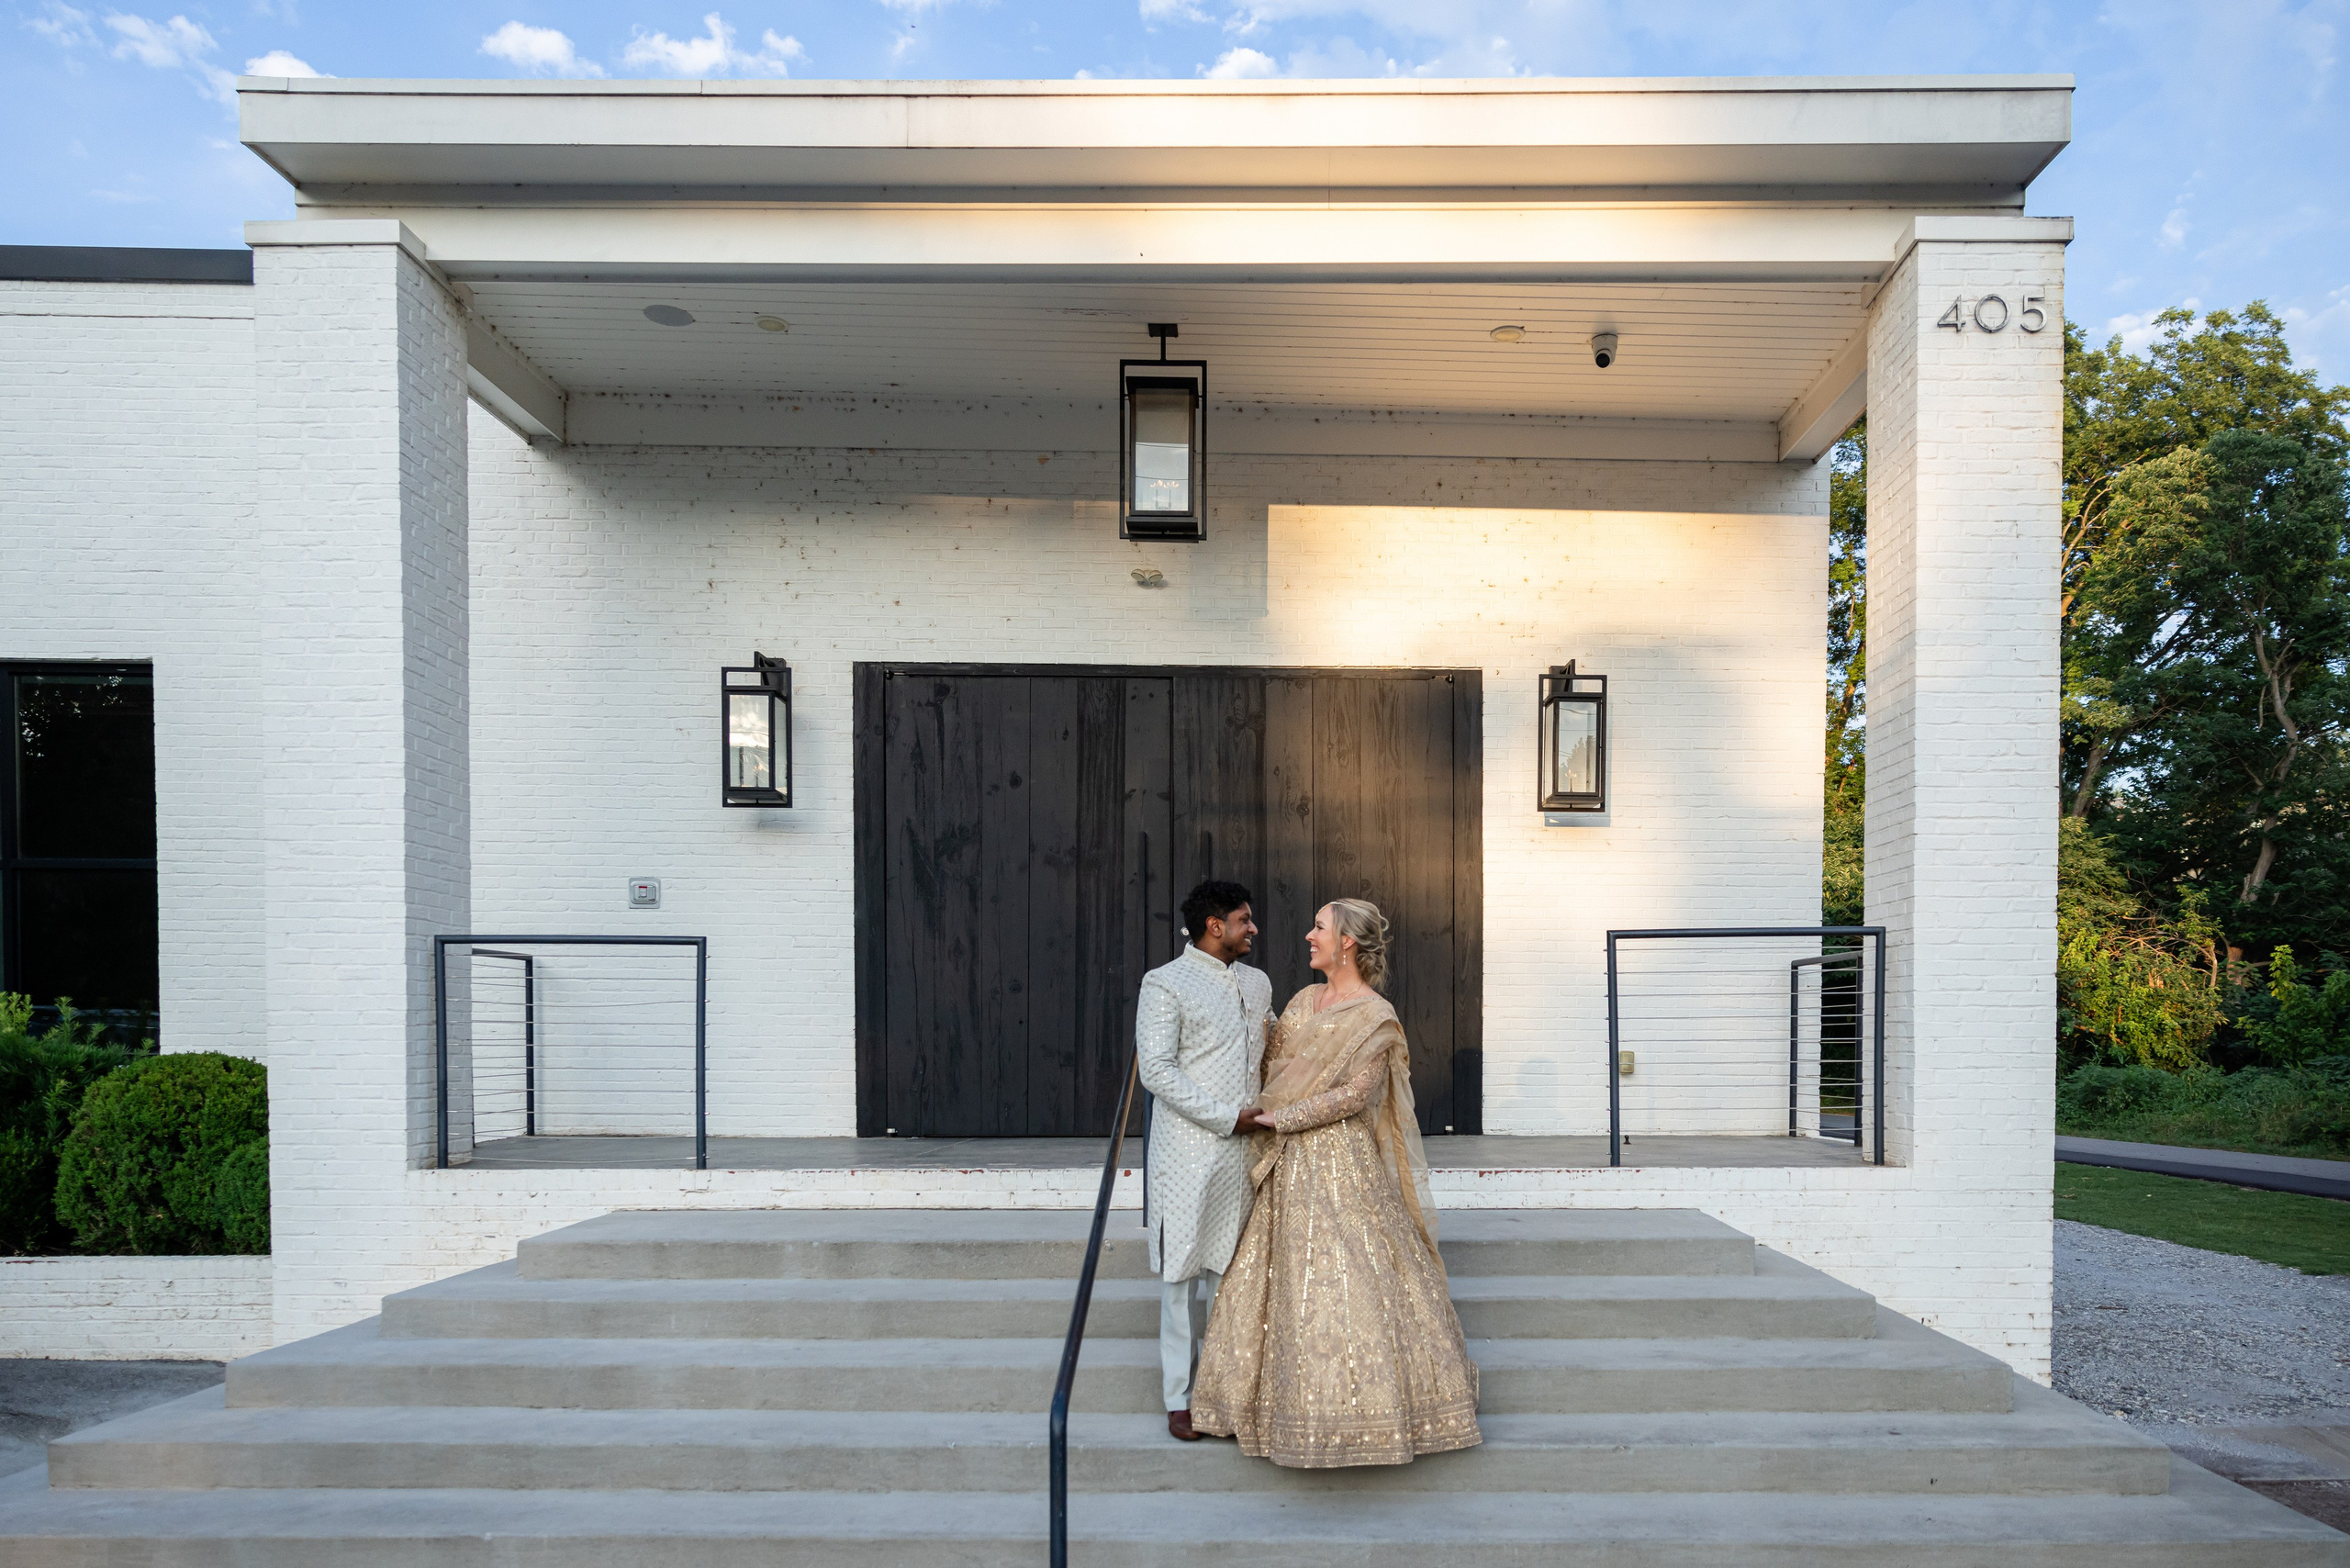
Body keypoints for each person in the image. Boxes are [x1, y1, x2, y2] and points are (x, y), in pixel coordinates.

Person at [1189, 897, 1482, 1467]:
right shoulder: (1300, 1001)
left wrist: (1283, 1118)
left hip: (1339, 1162)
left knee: (1353, 1277)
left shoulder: (1375, 1015)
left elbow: (1357, 1095)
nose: (1308, 936)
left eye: (1319, 928)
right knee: (1279, 1279)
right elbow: (1268, 1063)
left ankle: (1366, 1418)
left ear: (1347, 941)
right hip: (1286, 1163)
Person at [1134, 879, 1273, 1443]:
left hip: (1245, 1152)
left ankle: (1224, 1393)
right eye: (1244, 920)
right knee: (1179, 1279)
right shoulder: (1165, 983)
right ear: (1215, 927)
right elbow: (1156, 1070)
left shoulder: (1258, 983)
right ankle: (1178, 1398)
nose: (1253, 928)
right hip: (1185, 1155)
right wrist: (1225, 1116)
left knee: (1230, 1277)